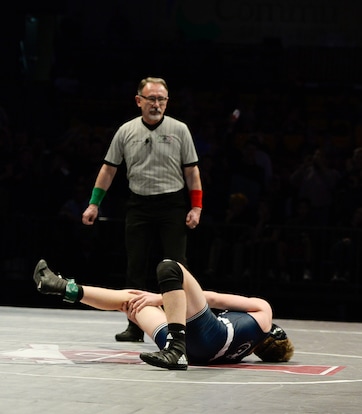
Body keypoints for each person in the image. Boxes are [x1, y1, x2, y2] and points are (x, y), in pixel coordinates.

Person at [81, 77, 203, 343]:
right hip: (139, 205)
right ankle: (135, 326)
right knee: (135, 268)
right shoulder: (125, 131)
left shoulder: (180, 129)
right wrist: (94, 203)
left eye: (161, 99)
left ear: (167, 102)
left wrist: (196, 207)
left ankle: (181, 328)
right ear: (139, 101)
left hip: (172, 205)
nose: (157, 104)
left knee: (177, 268)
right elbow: (109, 168)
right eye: (151, 99)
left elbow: (192, 170)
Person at [32, 259, 294, 370]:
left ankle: (175, 348)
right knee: (133, 301)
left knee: (171, 267)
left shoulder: (264, 314)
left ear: (275, 332)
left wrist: (159, 298)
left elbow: (211, 298)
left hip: (209, 335)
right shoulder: (242, 353)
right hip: (200, 353)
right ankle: (63, 287)